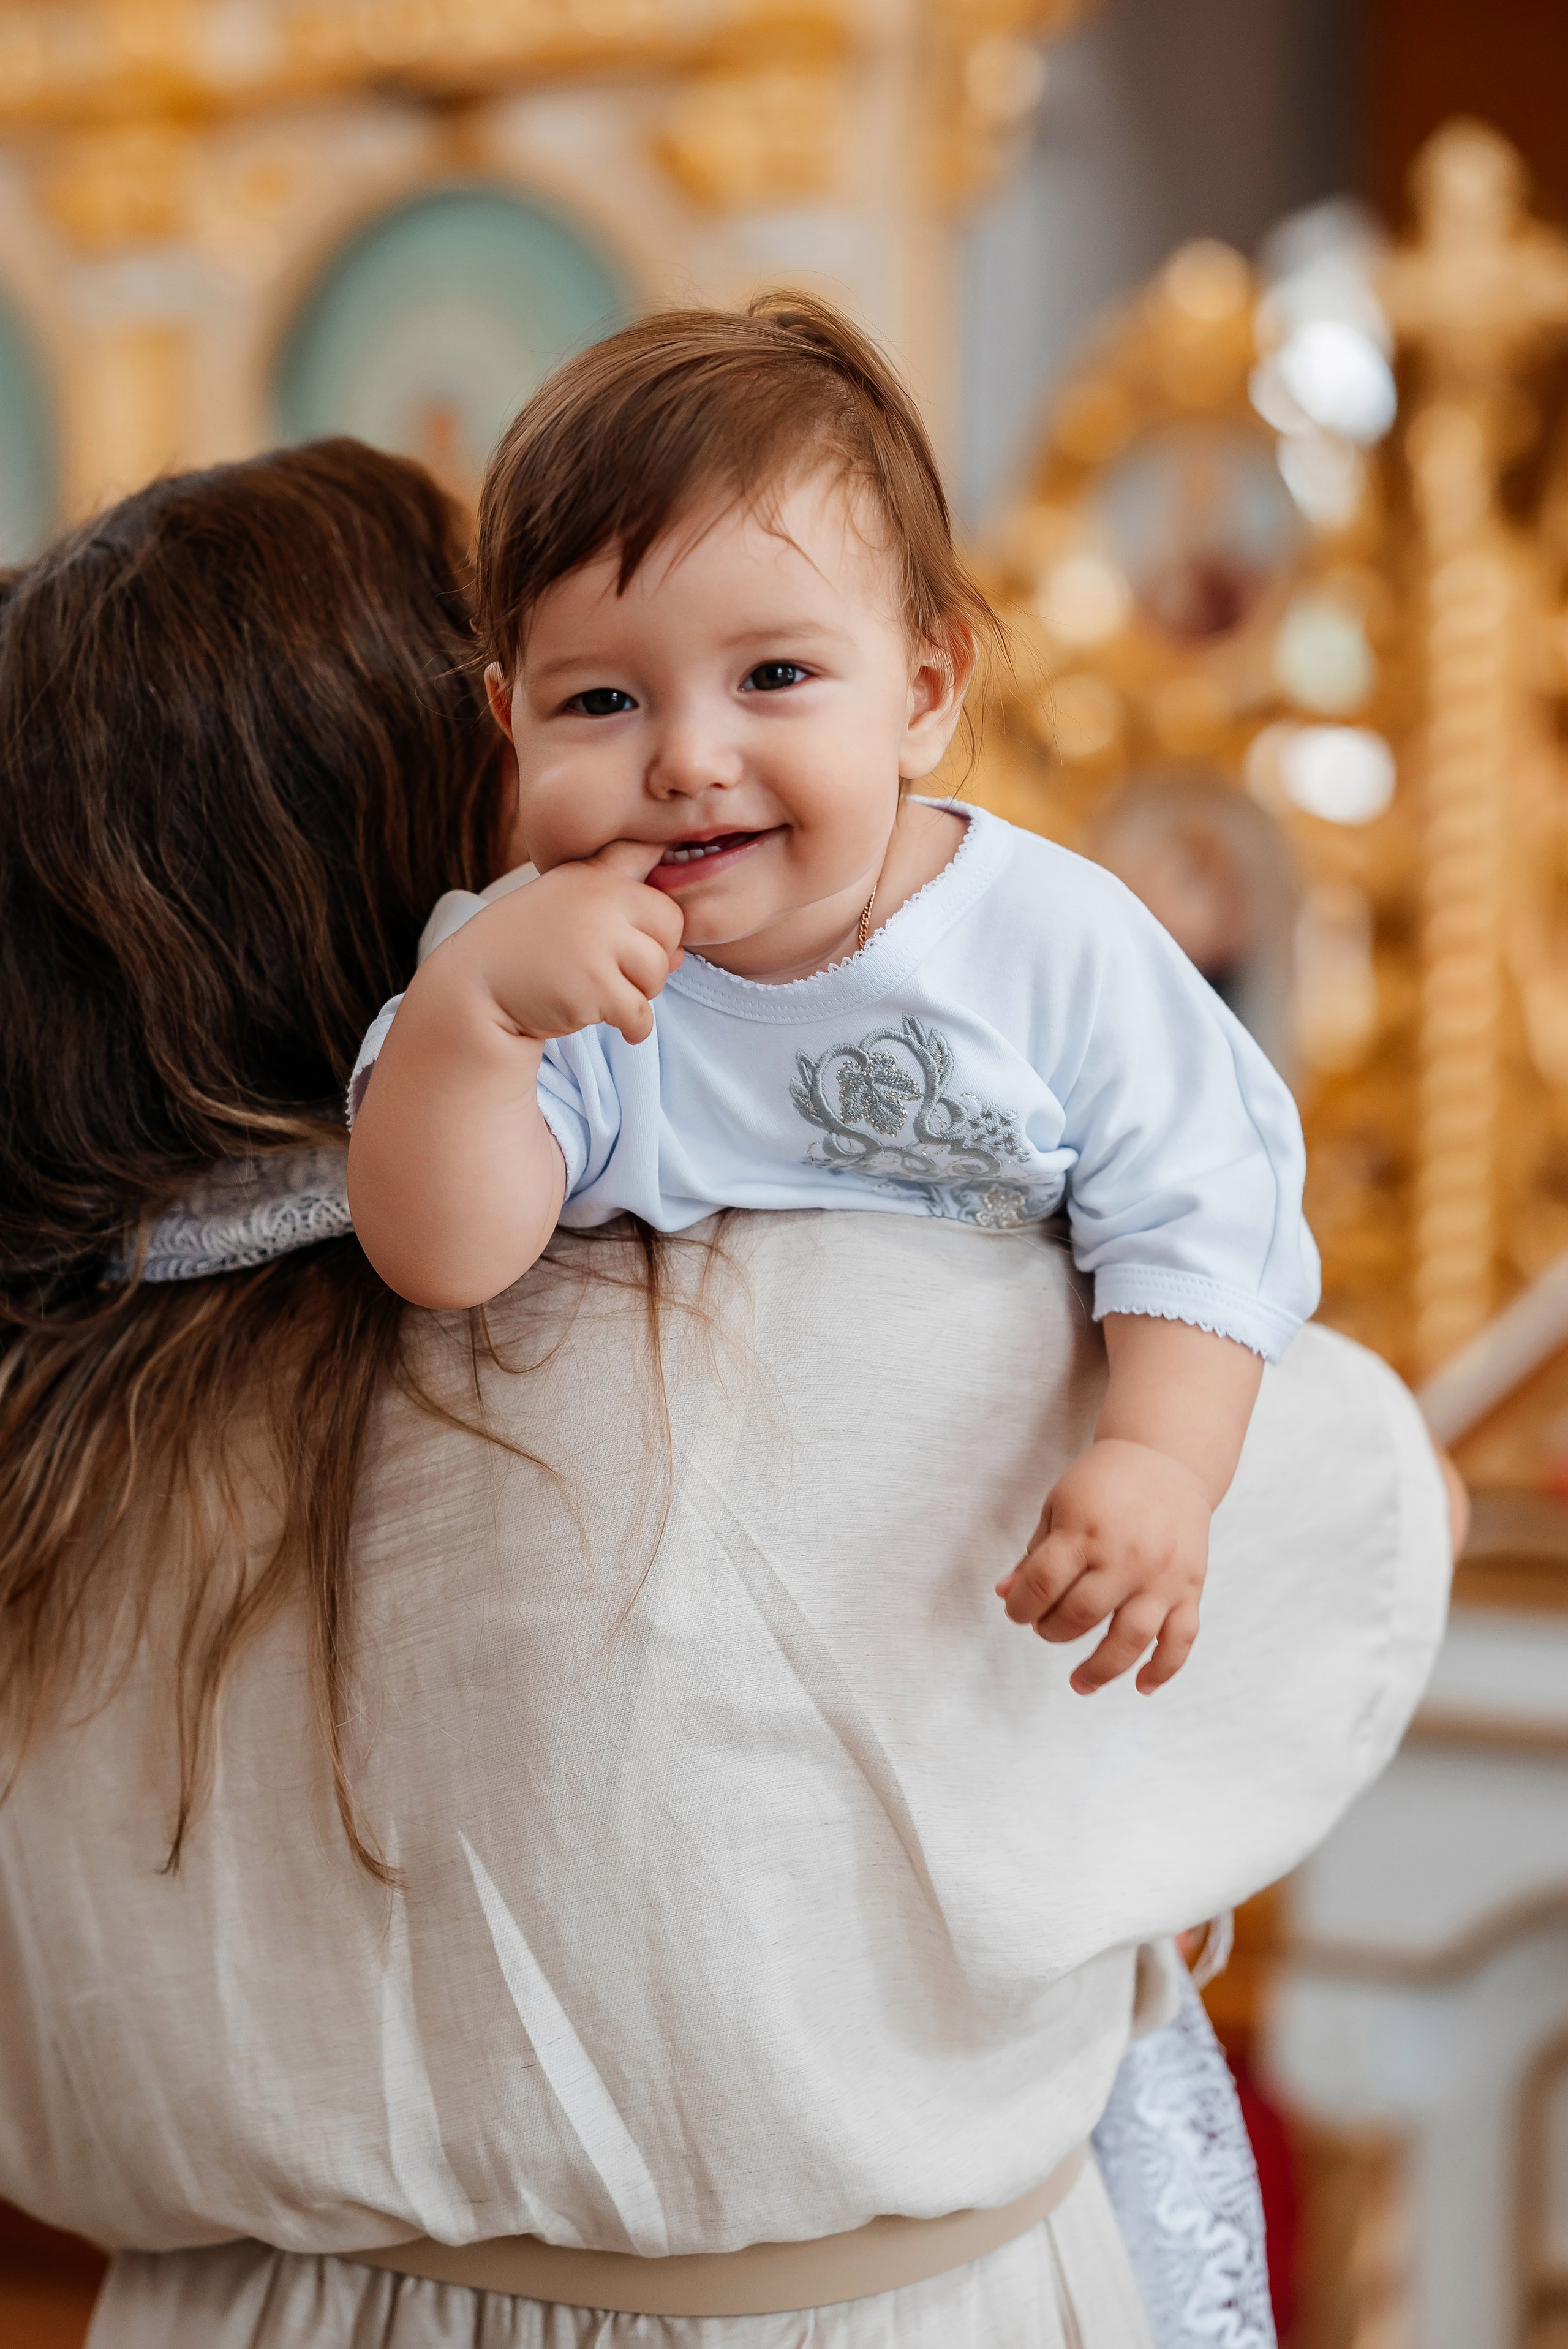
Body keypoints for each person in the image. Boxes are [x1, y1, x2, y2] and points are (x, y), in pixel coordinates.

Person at [0, 443, 1449, 2349]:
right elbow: (1336, 1506)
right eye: (598, 697)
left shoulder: (47, 1412)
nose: (678, 770)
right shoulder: (834, 1331)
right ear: (468, 797)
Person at [347, 295, 1320, 1704]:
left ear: (923, 691)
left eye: (775, 677)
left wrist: (1158, 1457)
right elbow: (442, 1256)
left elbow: (1203, 1197)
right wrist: (473, 1024)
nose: (688, 756)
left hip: (997, 1596)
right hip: (703, 1640)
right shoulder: (535, 970)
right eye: (600, 703)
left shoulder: (1047, 941)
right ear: (507, 722)